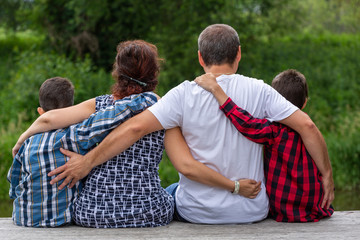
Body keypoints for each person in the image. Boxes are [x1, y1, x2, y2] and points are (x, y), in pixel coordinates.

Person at [46, 24, 334, 224]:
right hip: (251, 210)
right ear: (238, 54)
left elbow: (134, 129)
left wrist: (87, 163)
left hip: (197, 213)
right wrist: (327, 175)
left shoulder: (182, 94)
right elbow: (307, 126)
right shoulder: (260, 90)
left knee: (172, 189)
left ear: (200, 58)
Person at [12, 40, 261, 227]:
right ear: (154, 75)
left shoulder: (99, 105)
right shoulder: (163, 109)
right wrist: (235, 186)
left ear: (117, 72)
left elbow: (48, 118)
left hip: (91, 214)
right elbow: (186, 165)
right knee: (175, 189)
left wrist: (24, 136)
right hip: (148, 212)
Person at [7, 76, 168, 227]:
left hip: (23, 218)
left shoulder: (27, 144)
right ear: (71, 108)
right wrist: (151, 99)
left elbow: (14, 180)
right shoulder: (75, 136)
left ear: (40, 111)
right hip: (61, 220)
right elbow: (109, 119)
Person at [194, 69, 335, 222]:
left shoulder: (274, 132)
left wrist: (217, 90)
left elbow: (245, 122)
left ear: (274, 100)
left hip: (282, 211)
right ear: (305, 102)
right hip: (314, 208)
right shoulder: (310, 131)